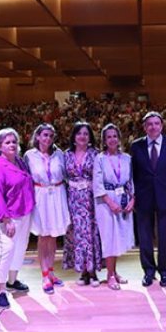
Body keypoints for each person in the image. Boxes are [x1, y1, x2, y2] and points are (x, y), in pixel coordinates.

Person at [131, 111, 166, 288]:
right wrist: (133, 197)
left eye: (156, 123)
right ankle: (148, 271)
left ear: (161, 126)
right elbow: (133, 175)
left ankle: (164, 271)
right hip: (143, 197)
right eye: (149, 124)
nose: (153, 127)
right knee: (145, 237)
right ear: (144, 127)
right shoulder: (135, 146)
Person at [0, 128, 35, 309]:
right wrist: (6, 219)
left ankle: (12, 281)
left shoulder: (20, 162)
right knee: (6, 250)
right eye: (7, 142)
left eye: (14, 141)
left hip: (24, 213)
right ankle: (0, 289)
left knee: (20, 248)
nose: (12, 145)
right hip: (8, 217)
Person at [24, 124, 70, 294]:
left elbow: (66, 174)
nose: (48, 139)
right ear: (37, 137)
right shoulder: (29, 155)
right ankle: (44, 275)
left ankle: (51, 272)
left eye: (51, 136)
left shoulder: (60, 154)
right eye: (45, 135)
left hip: (57, 194)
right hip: (40, 195)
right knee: (43, 237)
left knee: (53, 236)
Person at [93, 124, 135, 290]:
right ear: (104, 140)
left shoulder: (127, 158)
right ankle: (109, 275)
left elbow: (131, 181)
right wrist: (110, 203)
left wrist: (133, 199)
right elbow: (97, 183)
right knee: (109, 238)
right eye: (108, 137)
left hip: (123, 198)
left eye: (114, 136)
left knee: (118, 238)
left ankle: (115, 271)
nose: (112, 139)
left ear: (119, 139)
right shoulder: (100, 158)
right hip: (106, 202)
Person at [63, 122, 102, 287]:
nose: (82, 136)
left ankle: (93, 272)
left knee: (91, 234)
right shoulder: (66, 155)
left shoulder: (96, 154)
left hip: (91, 199)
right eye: (79, 133)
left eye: (86, 134)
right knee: (77, 235)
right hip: (72, 199)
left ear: (90, 137)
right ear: (74, 136)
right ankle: (82, 271)